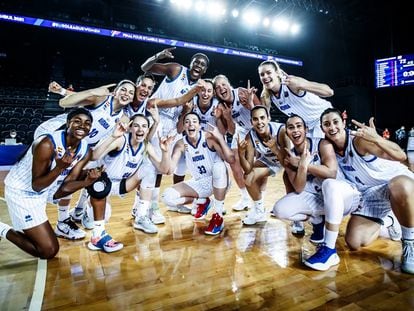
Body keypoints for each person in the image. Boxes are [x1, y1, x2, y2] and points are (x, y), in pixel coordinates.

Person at [35, 80, 136, 238]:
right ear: (115, 91)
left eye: (131, 93)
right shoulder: (101, 99)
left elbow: (108, 144)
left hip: (81, 149)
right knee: (43, 183)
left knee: (70, 181)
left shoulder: (124, 120)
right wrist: (93, 90)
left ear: (132, 99)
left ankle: (64, 221)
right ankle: (36, 220)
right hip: (59, 135)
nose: (126, 94)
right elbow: (65, 102)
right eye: (123, 89)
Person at [320, 108, 414, 274]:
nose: (332, 127)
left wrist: (377, 139)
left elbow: (401, 156)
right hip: (372, 193)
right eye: (327, 124)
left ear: (343, 123)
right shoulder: (328, 150)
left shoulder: (359, 141)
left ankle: (409, 243)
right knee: (354, 242)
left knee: (399, 185)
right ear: (322, 129)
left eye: (335, 122)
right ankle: (391, 221)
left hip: (396, 182)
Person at [0, 108, 101, 259]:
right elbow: (37, 185)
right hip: (22, 192)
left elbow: (66, 187)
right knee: (48, 251)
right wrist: (60, 167)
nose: (82, 126)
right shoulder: (47, 143)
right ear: (68, 123)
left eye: (87, 123)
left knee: (47, 248)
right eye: (77, 121)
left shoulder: (85, 150)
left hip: (44, 192)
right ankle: (1, 229)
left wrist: (87, 182)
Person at [272, 114, 361, 271]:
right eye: (291, 127)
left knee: (329, 184)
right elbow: (298, 188)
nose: (295, 130)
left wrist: (303, 163)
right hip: (319, 199)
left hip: (345, 197)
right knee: (280, 209)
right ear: (287, 132)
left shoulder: (322, 144)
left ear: (306, 130)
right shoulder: (290, 156)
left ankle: (329, 250)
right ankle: (318, 221)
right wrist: (301, 166)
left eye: (299, 126)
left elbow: (331, 173)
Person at [258, 59, 334, 236]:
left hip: (324, 123)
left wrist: (303, 84)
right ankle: (299, 216)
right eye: (262, 74)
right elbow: (263, 115)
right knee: (291, 173)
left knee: (324, 173)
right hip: (306, 129)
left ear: (278, 72)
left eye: (269, 72)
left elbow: (328, 91)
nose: (265, 76)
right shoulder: (268, 96)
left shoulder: (291, 83)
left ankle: (321, 218)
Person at [80, 112, 172, 253]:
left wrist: (165, 152)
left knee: (149, 169)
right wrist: (113, 136)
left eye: (144, 126)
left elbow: (164, 170)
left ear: (148, 130)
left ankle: (141, 217)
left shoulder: (146, 146)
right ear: (129, 128)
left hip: (124, 183)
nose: (140, 129)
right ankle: (90, 211)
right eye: (136, 125)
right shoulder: (121, 140)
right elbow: (94, 156)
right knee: (105, 216)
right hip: (103, 183)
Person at [141, 47, 210, 214]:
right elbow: (145, 68)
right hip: (157, 116)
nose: (198, 65)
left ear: (205, 70)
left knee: (170, 166)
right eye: (196, 62)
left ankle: (167, 202)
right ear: (191, 63)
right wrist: (158, 55)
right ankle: (150, 207)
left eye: (202, 64)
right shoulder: (176, 69)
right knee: (154, 165)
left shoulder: (198, 90)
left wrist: (186, 111)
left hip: (173, 126)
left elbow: (181, 124)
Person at [161, 112, 235, 235]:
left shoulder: (209, 138)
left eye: (194, 121)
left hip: (221, 181)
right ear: (184, 126)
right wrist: (165, 151)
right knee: (167, 197)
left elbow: (231, 159)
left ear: (200, 125)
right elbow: (168, 170)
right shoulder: (180, 144)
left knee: (218, 166)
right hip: (201, 183)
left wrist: (220, 138)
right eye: (187, 122)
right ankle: (203, 201)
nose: (191, 124)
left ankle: (218, 216)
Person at [213, 75, 260, 212]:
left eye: (223, 84)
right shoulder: (221, 106)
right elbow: (232, 131)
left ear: (229, 85)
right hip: (241, 130)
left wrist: (250, 105)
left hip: (256, 128)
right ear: (216, 92)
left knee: (255, 164)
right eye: (218, 87)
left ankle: (259, 198)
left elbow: (262, 112)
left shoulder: (241, 92)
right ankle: (245, 198)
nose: (221, 88)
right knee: (233, 162)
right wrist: (227, 117)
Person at [237, 106, 286, 225]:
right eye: (255, 119)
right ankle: (259, 209)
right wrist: (241, 153)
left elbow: (287, 160)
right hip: (268, 160)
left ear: (268, 118)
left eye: (262, 118)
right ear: (251, 122)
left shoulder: (281, 131)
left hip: (285, 160)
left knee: (291, 180)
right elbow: (248, 169)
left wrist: (275, 149)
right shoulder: (250, 136)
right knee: (248, 177)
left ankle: (296, 219)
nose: (259, 122)